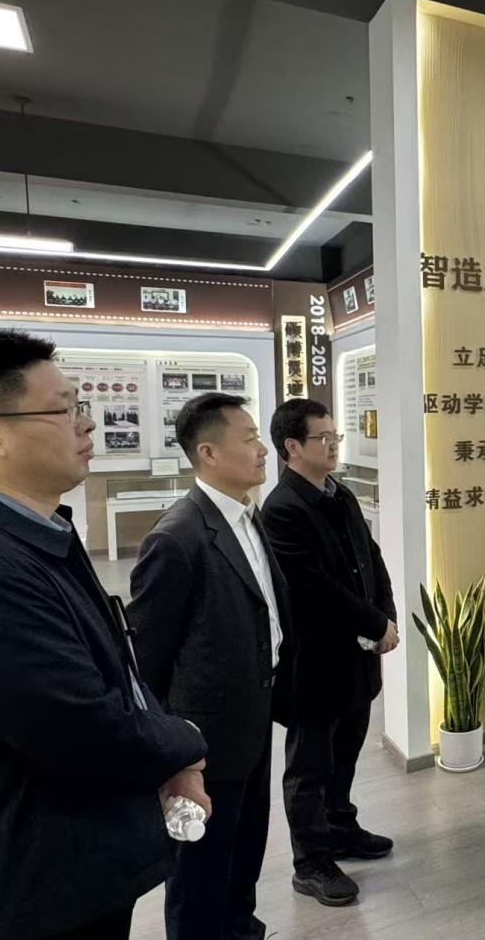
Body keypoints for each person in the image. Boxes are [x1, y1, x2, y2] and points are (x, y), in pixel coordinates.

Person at [0, 330, 209, 940]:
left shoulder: (33, 531)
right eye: (65, 408)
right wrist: (185, 741)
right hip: (32, 887)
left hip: (77, 859)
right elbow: (81, 729)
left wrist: (166, 751)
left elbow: (117, 665)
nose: (88, 422)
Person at [128, 393, 291, 940]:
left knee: (245, 843)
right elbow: (146, 660)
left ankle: (240, 927)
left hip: (253, 714)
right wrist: (172, 752)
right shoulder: (177, 537)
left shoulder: (246, 514)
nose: (263, 449)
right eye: (250, 438)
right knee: (200, 865)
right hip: (202, 736)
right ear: (209, 453)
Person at [263, 399, 398, 907]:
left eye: (335, 436)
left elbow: (371, 556)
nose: (334, 445)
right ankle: (311, 862)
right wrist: (373, 623)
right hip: (315, 664)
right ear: (292, 447)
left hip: (356, 657)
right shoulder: (283, 509)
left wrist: (385, 615)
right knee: (310, 768)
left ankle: (341, 828)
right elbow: (313, 589)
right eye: (324, 438)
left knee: (346, 752)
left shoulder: (337, 493)